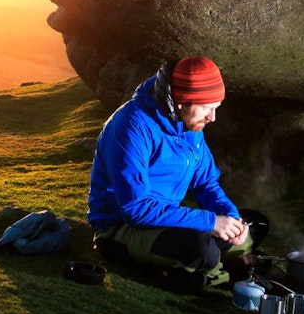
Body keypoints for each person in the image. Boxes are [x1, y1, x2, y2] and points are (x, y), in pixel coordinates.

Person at [87, 56, 253, 290]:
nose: (212, 117)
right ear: (181, 102)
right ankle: (218, 275)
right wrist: (211, 221)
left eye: (215, 108)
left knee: (251, 227)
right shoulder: (131, 126)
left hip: (165, 220)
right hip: (119, 227)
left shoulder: (188, 125)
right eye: (207, 108)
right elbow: (136, 209)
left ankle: (202, 264)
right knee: (202, 248)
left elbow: (206, 184)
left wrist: (231, 218)